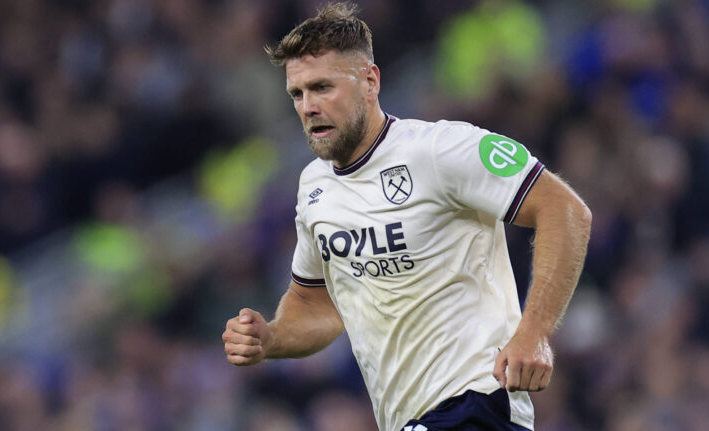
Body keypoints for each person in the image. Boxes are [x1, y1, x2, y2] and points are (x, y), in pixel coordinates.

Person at [222, 3, 592, 430]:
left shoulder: (440, 150)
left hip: (478, 403)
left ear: (370, 82)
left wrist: (534, 332)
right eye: (298, 94)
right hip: (409, 419)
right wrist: (271, 338)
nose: (308, 107)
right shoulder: (314, 188)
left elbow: (564, 209)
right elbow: (316, 304)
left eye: (322, 88)